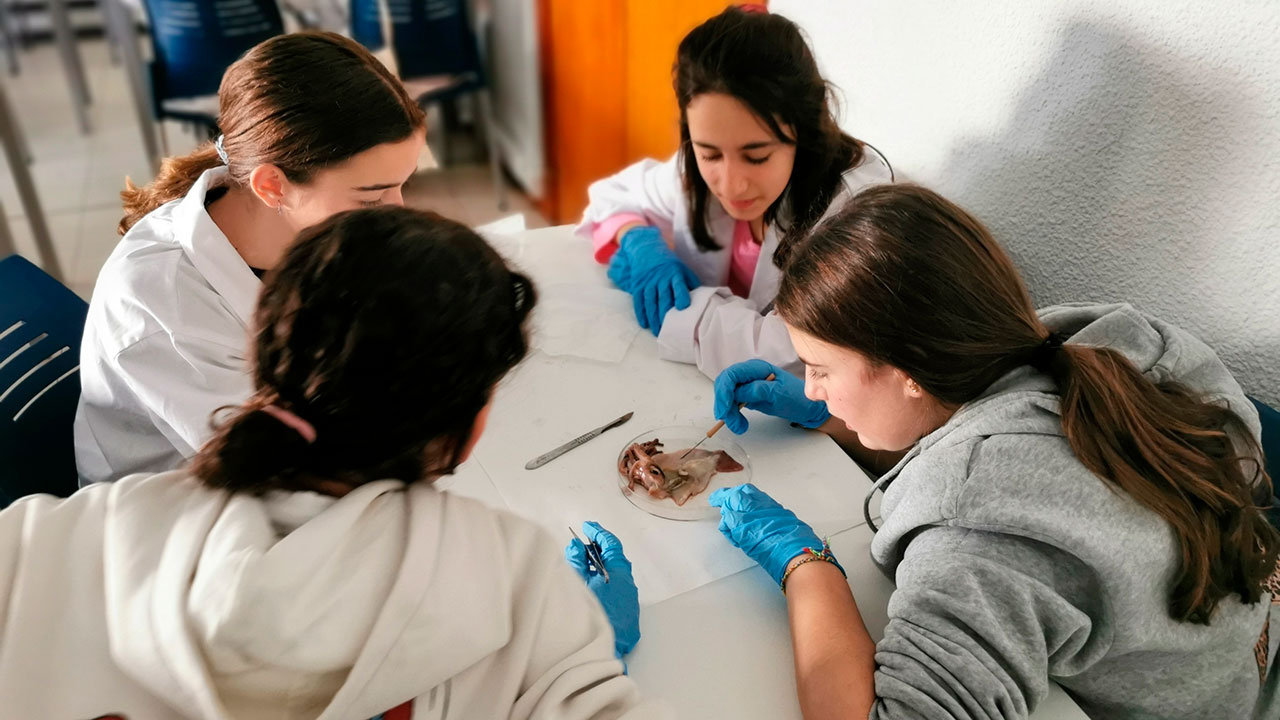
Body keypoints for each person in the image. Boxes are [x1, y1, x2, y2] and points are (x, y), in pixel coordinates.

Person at [0, 208, 664, 720]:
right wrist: (585, 656)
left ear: (261, 353)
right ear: (468, 429)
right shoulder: (515, 584)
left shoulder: (56, 538)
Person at [709, 184, 1280, 719]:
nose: (810, 387)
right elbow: (1002, 449)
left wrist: (803, 564)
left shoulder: (980, 528)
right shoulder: (1094, 344)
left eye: (819, 370)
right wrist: (833, 420)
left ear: (908, 372)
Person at [75, 31, 427, 485]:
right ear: (272, 186)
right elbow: (286, 471)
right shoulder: (162, 303)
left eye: (404, 184)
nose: (398, 211)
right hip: (190, 511)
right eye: (373, 197)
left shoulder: (303, 225)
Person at [576, 6, 892, 379]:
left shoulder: (851, 207)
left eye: (756, 156)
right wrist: (638, 240)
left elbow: (794, 353)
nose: (729, 185)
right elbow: (613, 195)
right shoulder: (699, 165)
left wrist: (680, 310)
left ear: (802, 134)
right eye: (709, 152)